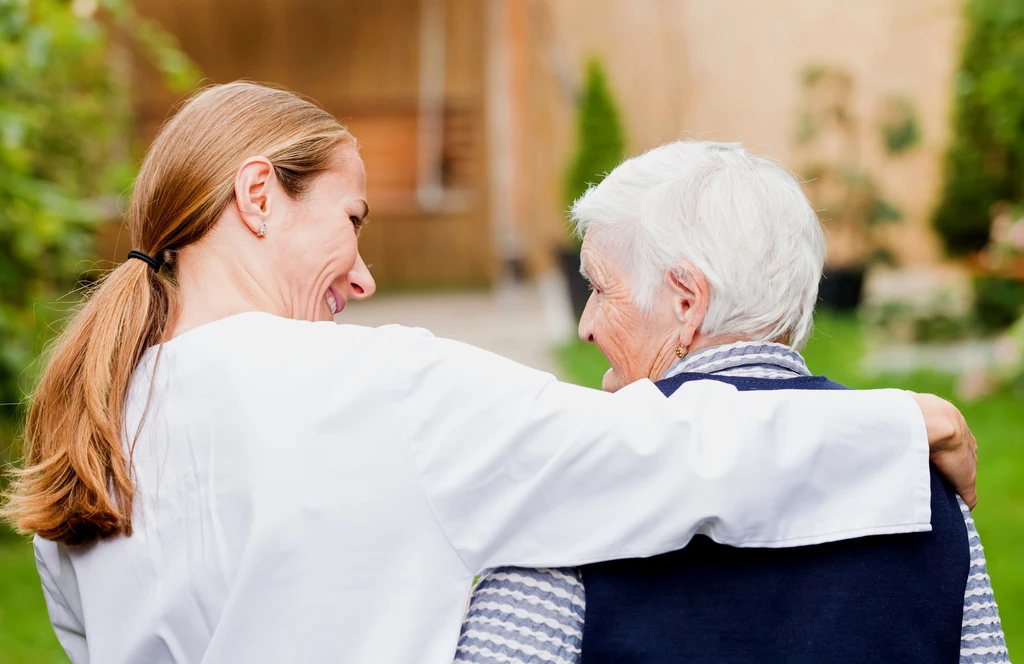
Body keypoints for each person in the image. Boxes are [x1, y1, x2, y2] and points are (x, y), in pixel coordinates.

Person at [0, 84, 977, 664]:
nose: (365, 273)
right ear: (259, 195)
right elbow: (665, 446)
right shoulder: (374, 389)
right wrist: (905, 423)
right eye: (352, 221)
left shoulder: (85, 444)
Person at [456, 141, 1007, 664]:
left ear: (686, 301)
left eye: (599, 289)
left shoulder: (576, 478)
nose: (586, 326)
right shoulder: (920, 477)